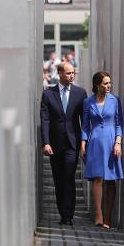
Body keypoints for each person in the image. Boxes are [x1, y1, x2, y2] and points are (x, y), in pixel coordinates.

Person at [40, 62, 87, 225]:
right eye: (68, 73)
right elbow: (45, 119)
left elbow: (85, 121)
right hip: (54, 143)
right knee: (58, 179)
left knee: (69, 177)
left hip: (72, 143)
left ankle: (68, 215)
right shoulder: (48, 94)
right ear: (59, 74)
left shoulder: (80, 93)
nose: (71, 76)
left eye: (73, 73)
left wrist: (83, 142)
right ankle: (62, 211)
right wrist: (46, 142)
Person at [80, 71, 123, 229]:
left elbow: (119, 124)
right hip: (96, 141)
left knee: (111, 180)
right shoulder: (88, 102)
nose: (108, 86)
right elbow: (85, 125)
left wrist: (118, 142)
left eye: (109, 83)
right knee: (97, 178)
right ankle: (98, 214)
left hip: (111, 141)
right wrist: (83, 144)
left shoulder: (115, 100)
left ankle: (108, 218)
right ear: (97, 85)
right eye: (105, 83)